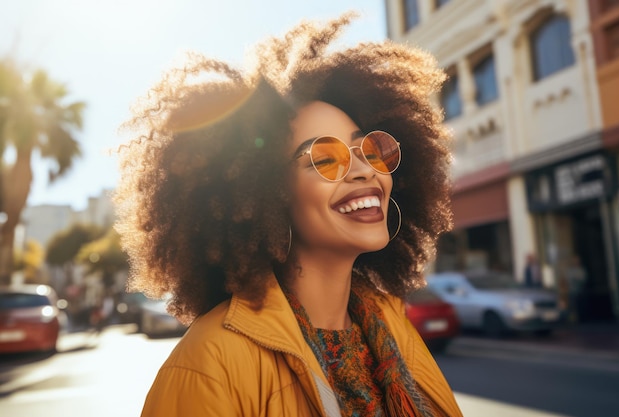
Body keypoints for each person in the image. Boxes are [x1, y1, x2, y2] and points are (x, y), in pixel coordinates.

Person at [114, 13, 463, 417]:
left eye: (368, 150)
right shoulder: (208, 364)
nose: (365, 169)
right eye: (325, 158)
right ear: (268, 194)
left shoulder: (394, 327)